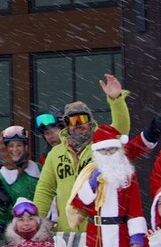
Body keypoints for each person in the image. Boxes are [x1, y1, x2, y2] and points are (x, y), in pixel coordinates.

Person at [34, 74, 140, 237]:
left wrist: (116, 100)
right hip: (67, 232)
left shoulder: (102, 144)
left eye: (82, 119)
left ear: (90, 120)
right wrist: (35, 223)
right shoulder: (55, 153)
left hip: (99, 229)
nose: (78, 125)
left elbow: (121, 128)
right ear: (66, 124)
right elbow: (45, 189)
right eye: (72, 121)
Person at [69, 124, 147, 247]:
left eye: (111, 149)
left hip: (120, 232)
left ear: (118, 150)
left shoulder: (128, 175)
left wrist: (137, 234)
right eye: (103, 150)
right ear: (97, 152)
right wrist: (91, 185)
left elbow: (135, 207)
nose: (108, 153)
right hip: (97, 232)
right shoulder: (90, 173)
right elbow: (79, 202)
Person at [0, 125, 45, 232]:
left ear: (25, 147)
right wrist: (3, 206)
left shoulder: (38, 169)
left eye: (19, 145)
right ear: (5, 149)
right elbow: (1, 217)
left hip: (40, 230)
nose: (15, 149)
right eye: (11, 146)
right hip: (16, 234)